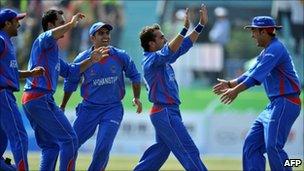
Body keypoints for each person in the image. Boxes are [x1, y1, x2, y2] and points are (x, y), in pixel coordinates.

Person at [21, 10, 109, 171]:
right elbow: (50, 35)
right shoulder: (43, 39)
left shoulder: (52, 51)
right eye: (61, 23)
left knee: (51, 146)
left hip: (33, 99)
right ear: (50, 25)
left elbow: (70, 71)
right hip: (39, 97)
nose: (65, 26)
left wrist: (91, 60)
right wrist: (72, 24)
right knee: (69, 139)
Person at [213, 16, 301, 171]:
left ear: (264, 32)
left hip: (286, 102)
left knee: (273, 147)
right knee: (251, 144)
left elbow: (255, 77)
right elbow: (250, 73)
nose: (252, 35)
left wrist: (235, 91)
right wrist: (229, 84)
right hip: (275, 104)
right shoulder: (268, 51)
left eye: (254, 30)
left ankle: (296, 164)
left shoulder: (275, 49)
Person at [134, 4, 208, 171]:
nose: (165, 39)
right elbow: (169, 50)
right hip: (164, 112)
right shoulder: (151, 61)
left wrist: (200, 26)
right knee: (189, 151)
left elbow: (184, 46)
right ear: (151, 44)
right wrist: (183, 29)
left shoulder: (162, 59)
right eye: (161, 37)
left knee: (159, 153)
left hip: (166, 112)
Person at [60, 21, 142, 171]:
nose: (105, 36)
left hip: (112, 109)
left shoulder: (120, 56)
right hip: (89, 109)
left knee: (102, 148)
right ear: (92, 37)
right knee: (70, 144)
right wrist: (63, 105)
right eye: (101, 33)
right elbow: (70, 82)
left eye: (107, 33)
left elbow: (135, 77)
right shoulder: (82, 58)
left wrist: (136, 97)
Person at [0, 8, 45, 171]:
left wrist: (30, 73)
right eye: (16, 21)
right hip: (2, 95)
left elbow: (9, 73)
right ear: (6, 23)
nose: (19, 25)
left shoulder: (6, 42)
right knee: (19, 137)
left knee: (2, 140)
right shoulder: (1, 40)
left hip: (5, 93)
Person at [208, 6, 230, 79]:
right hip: (216, 46)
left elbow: (216, 36)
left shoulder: (225, 23)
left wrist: (212, 37)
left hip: (221, 46)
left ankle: (220, 79)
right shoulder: (219, 23)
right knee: (215, 63)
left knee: (220, 64)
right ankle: (214, 79)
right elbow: (212, 34)